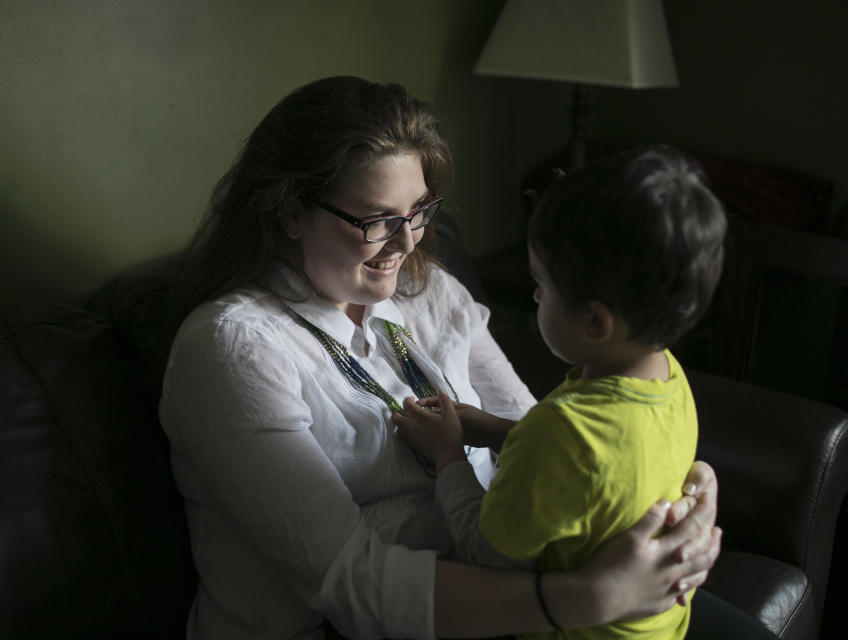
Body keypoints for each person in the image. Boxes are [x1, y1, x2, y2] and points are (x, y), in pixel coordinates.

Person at [159, 76, 720, 640]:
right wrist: (593, 597)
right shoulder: (233, 348)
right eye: (375, 220)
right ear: (289, 212)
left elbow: (547, 439)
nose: (407, 244)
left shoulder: (429, 290)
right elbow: (354, 585)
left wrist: (681, 491)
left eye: (419, 210)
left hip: (517, 590)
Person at [393, 146, 726, 639]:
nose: (533, 297)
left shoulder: (564, 431)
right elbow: (593, 477)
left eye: (541, 286)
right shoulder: (669, 379)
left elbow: (486, 558)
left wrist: (448, 457)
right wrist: (493, 429)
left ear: (595, 321)